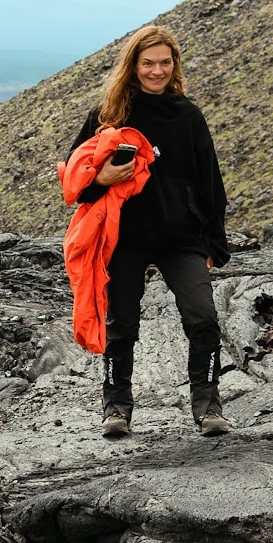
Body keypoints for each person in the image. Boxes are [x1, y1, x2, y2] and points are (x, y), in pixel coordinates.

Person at [65, 25, 232, 438]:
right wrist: (101, 178)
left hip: (181, 237)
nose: (156, 71)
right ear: (133, 66)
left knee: (204, 317)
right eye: (148, 63)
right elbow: (74, 174)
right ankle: (116, 407)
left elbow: (211, 181)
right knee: (121, 324)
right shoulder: (108, 116)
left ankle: (208, 405)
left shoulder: (188, 116)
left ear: (174, 65)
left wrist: (214, 242)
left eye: (164, 62)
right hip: (125, 238)